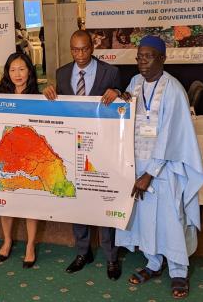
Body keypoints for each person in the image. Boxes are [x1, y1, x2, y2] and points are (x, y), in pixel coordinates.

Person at [116, 35, 203, 299]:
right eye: (139, 57)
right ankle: (153, 263)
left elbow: (169, 136)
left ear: (162, 59)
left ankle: (178, 271)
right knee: (145, 219)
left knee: (170, 220)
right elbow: (129, 114)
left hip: (165, 169)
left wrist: (149, 173)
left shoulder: (174, 90)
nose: (142, 62)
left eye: (148, 56)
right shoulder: (134, 83)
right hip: (138, 166)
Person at [43, 30, 123, 280]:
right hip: (73, 149)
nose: (79, 55)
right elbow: (60, 107)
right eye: (74, 50)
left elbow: (125, 104)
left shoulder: (110, 72)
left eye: (84, 49)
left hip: (102, 149)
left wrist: (119, 94)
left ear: (92, 47)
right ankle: (83, 251)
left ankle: (111, 257)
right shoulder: (62, 73)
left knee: (103, 201)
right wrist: (48, 94)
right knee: (76, 200)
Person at [0, 52, 39, 268]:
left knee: (31, 201)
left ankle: (30, 245)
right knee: (7, 200)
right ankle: (7, 240)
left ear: (29, 70)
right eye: (12, 70)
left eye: (21, 69)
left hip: (30, 156)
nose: (17, 74)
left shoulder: (38, 95)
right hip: (7, 154)